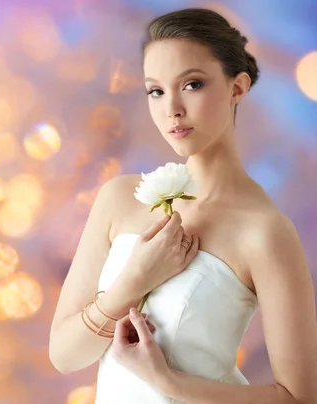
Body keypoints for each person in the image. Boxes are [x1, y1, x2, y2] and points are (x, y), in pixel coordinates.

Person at [48, 7, 317, 404]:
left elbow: (299, 397)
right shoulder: (121, 198)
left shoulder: (265, 231)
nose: (171, 108)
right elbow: (65, 356)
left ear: (237, 88)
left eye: (191, 84)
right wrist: (133, 281)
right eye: (156, 90)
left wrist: (167, 381)